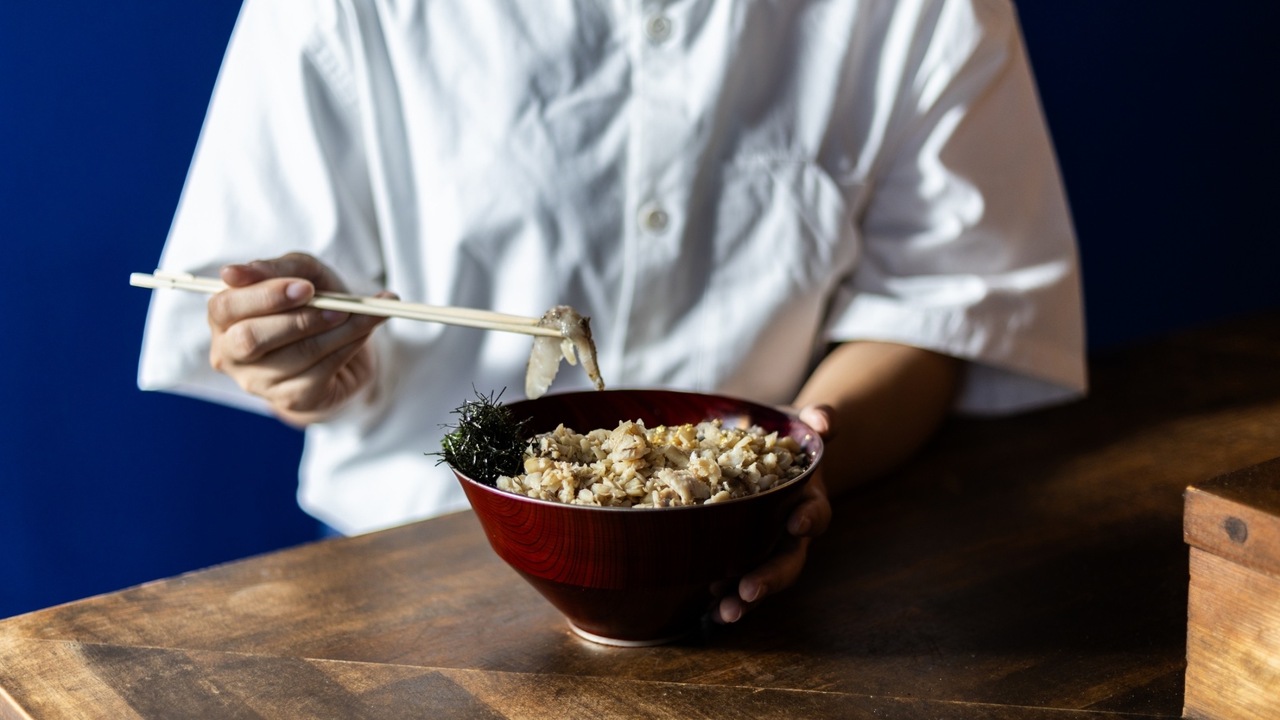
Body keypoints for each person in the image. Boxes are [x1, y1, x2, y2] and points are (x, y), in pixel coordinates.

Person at [139, 0, 1087, 625]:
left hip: (763, 569)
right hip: (410, 578)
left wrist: (792, 460)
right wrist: (298, 355)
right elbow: (264, 323)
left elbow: (941, 304)